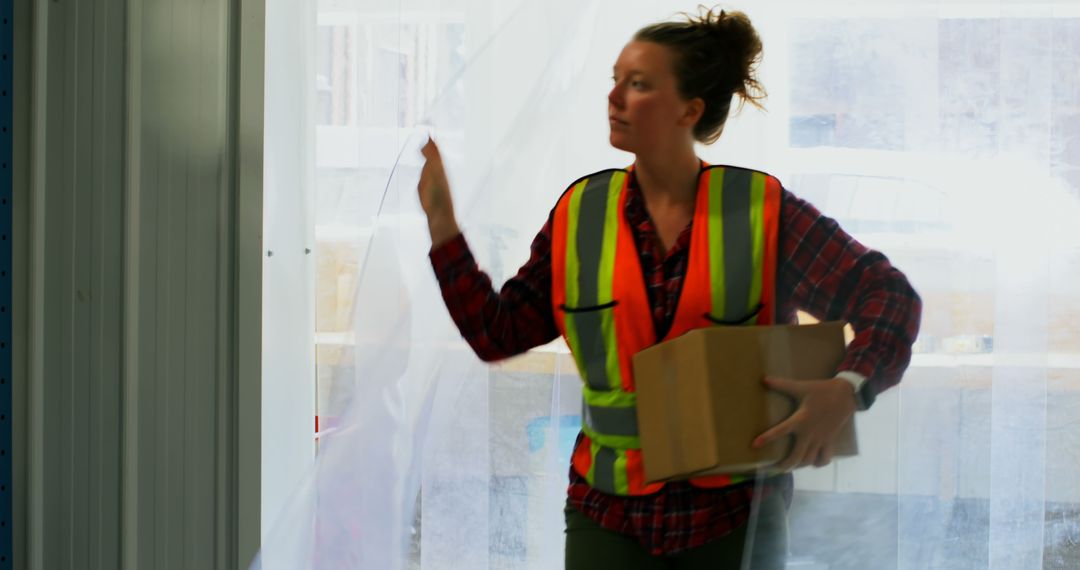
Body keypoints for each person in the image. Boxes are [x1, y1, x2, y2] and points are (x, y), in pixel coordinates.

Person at [417, 7, 921, 569]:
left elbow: (889, 295)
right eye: (614, 80)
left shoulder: (762, 211)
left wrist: (851, 387)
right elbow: (497, 333)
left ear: (690, 109)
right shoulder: (578, 214)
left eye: (638, 84)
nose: (614, 97)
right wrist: (442, 225)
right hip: (605, 513)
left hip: (734, 516)